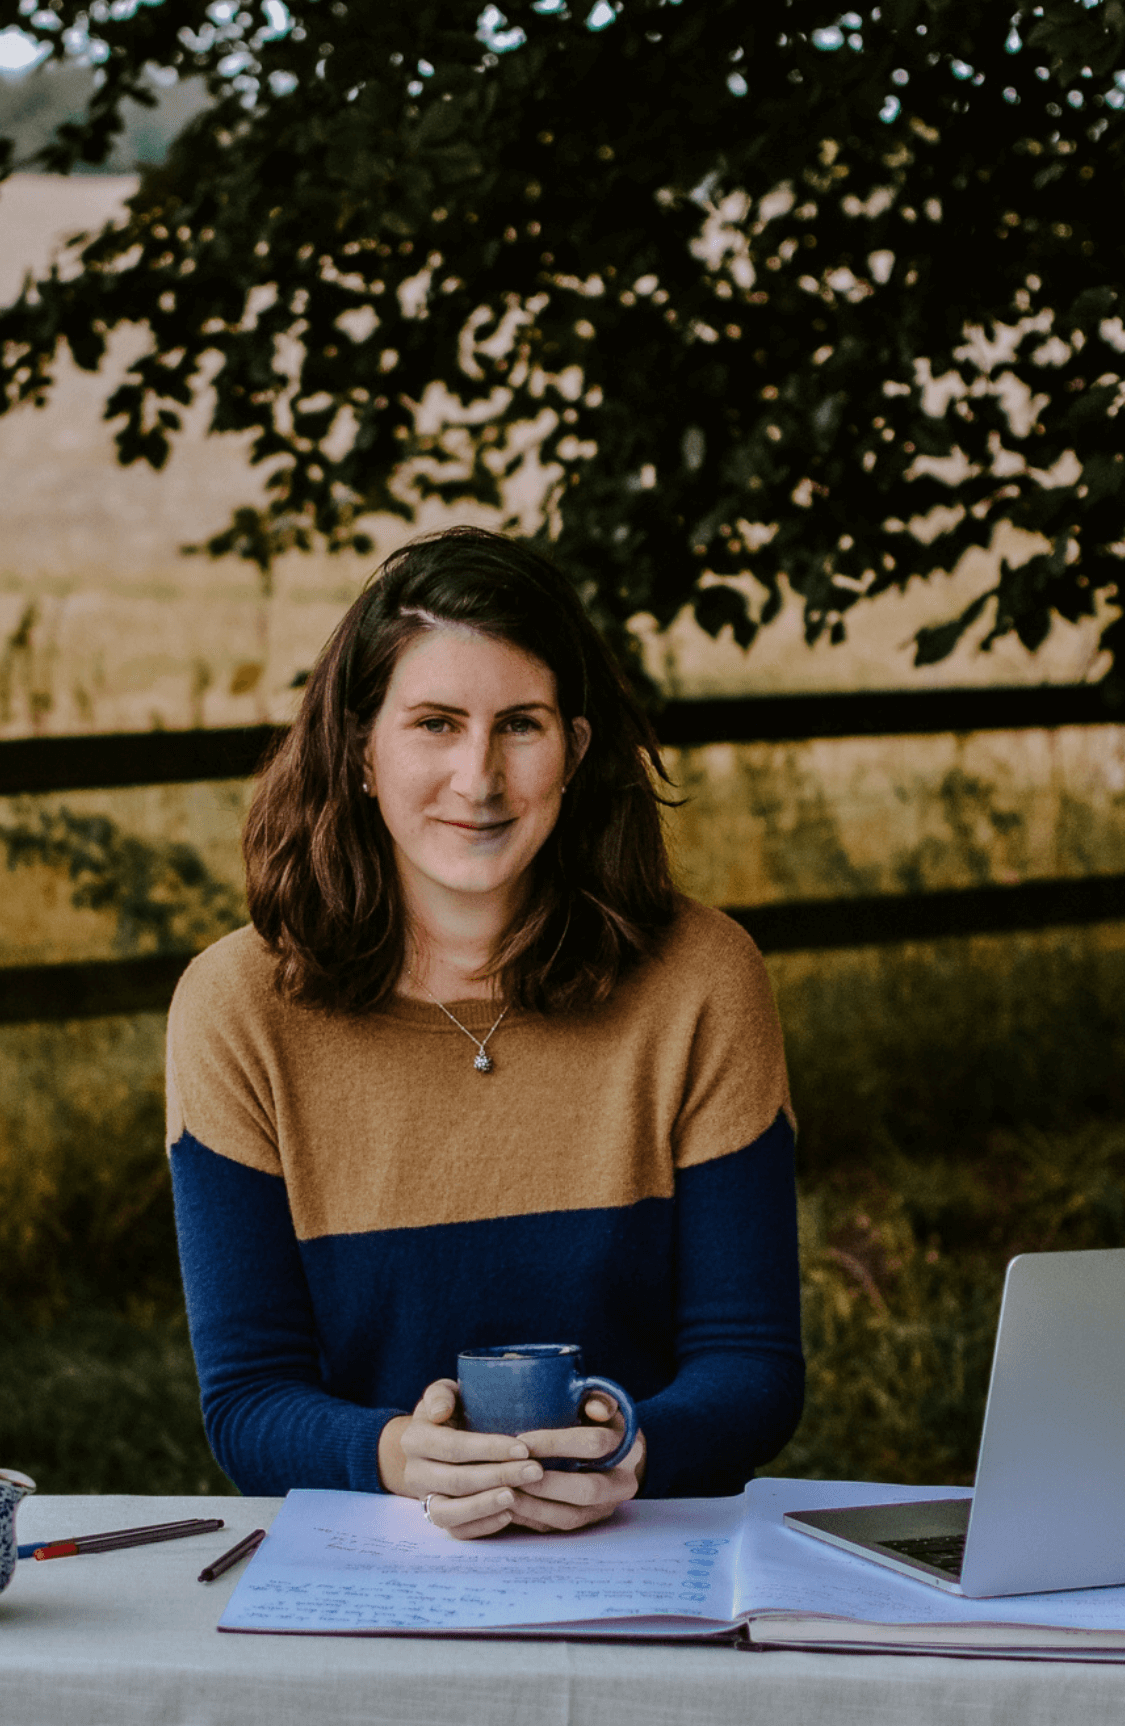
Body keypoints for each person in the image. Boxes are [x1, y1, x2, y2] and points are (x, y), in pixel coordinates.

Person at [165, 525, 803, 1538]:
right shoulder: (236, 1005)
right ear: (361, 751)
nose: (479, 777)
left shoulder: (702, 978)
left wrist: (632, 1452)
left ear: (576, 750)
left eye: (520, 725)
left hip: (647, 1546)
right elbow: (248, 1401)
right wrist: (394, 1457)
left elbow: (752, 1366)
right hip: (371, 1560)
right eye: (434, 723)